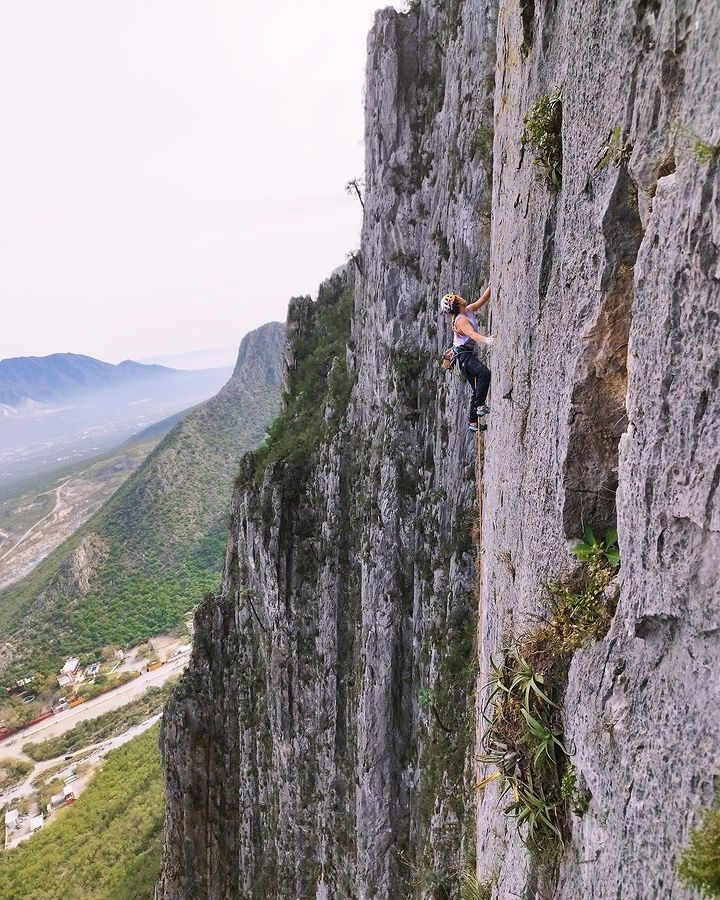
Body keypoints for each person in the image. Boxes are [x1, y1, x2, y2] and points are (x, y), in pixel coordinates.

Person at [441, 288, 495, 432]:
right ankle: (480, 406)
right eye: (457, 297)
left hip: (464, 355)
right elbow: (471, 333)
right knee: (484, 373)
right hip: (464, 356)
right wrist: (486, 340)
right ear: (456, 303)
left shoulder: (468, 310)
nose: (460, 296)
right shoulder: (461, 320)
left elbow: (483, 299)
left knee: (476, 389)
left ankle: (473, 423)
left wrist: (491, 286)